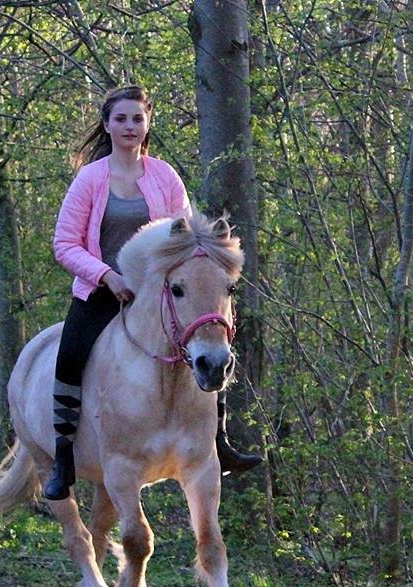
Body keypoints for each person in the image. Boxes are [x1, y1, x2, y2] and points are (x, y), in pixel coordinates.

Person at [44, 84, 262, 500]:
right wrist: (107, 276)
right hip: (102, 290)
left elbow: (187, 235)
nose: (130, 126)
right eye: (121, 118)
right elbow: (65, 243)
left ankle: (218, 439)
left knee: (210, 342)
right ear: (106, 124)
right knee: (69, 355)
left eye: (137, 119)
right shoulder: (90, 179)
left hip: (163, 295)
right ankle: (62, 457)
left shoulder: (164, 175)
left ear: (148, 125)